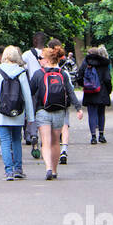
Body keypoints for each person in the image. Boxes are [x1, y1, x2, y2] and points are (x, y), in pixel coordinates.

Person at [30, 45, 82, 180]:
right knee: (55, 142)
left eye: (40, 58)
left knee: (45, 142)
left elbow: (30, 92)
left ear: (46, 60)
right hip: (59, 111)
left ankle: (47, 167)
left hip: (43, 111)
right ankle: (54, 170)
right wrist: (78, 108)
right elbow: (70, 92)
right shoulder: (63, 74)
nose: (39, 60)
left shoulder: (38, 74)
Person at [0, 46, 35, 180]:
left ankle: (8, 171)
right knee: (16, 140)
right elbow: (27, 95)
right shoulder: (21, 72)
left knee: (5, 141)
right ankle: (18, 168)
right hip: (17, 112)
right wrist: (30, 116)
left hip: (0, 113)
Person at [76, 44, 113, 144]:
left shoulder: (86, 62)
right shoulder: (104, 63)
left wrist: (85, 85)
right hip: (102, 91)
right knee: (101, 113)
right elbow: (107, 79)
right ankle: (101, 135)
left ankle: (93, 137)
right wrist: (108, 90)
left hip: (90, 92)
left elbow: (79, 77)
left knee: (92, 114)